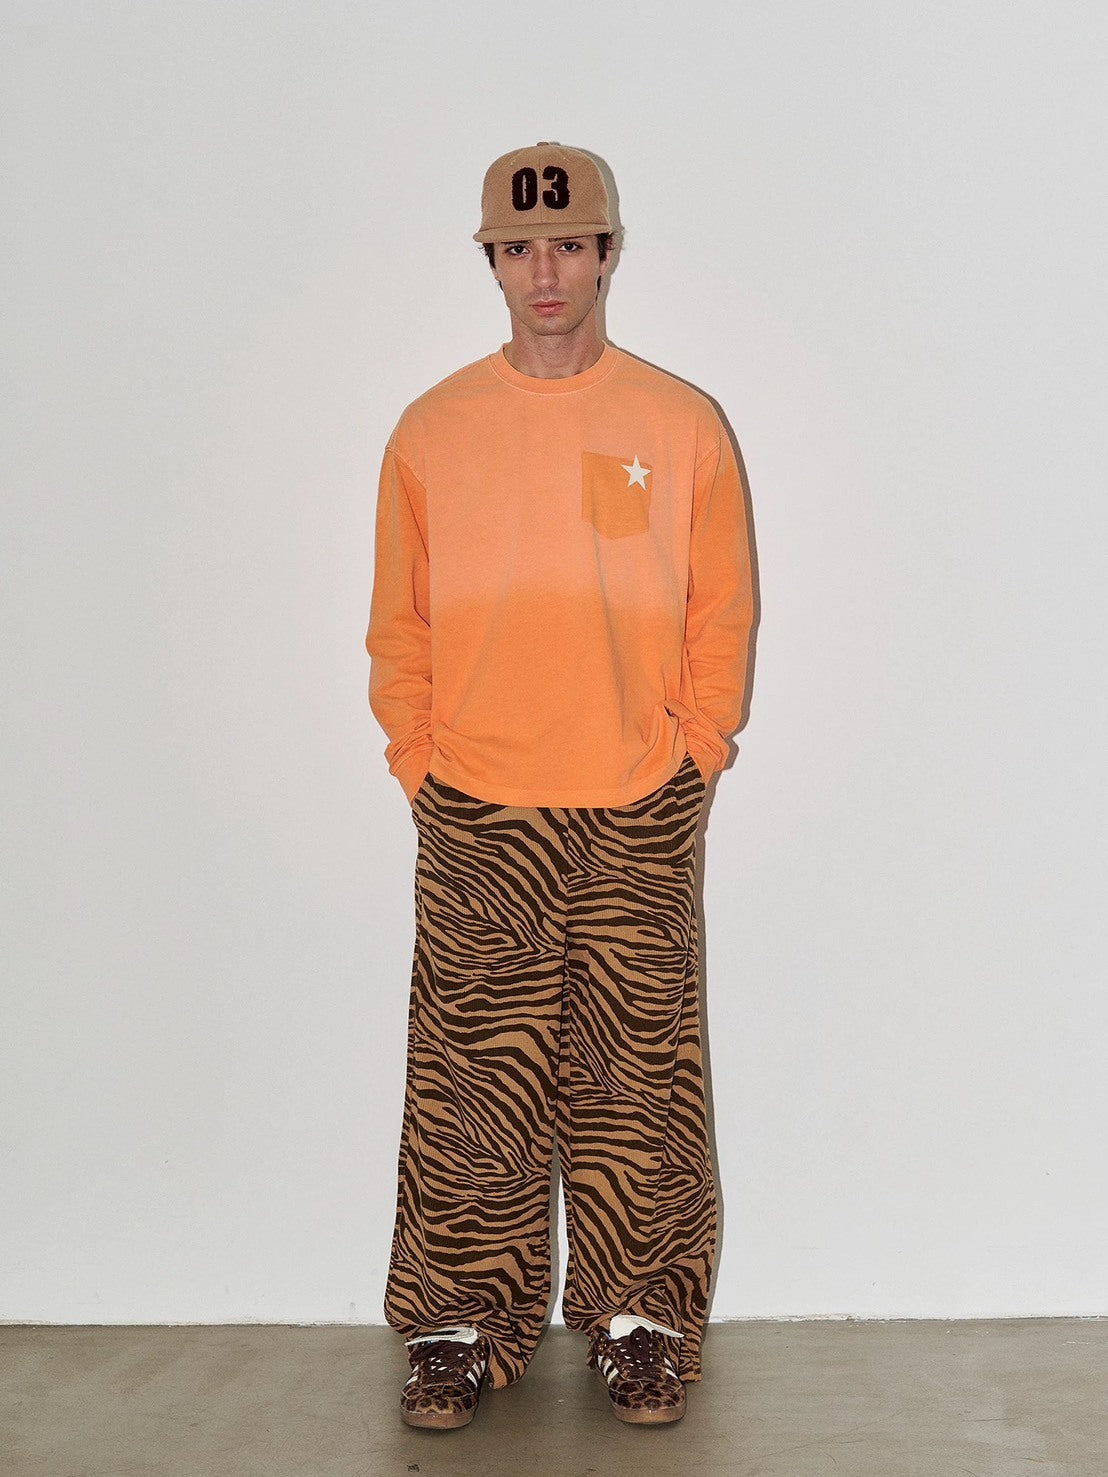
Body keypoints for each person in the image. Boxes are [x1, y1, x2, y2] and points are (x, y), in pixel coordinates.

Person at [366, 142, 755, 1430]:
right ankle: (455, 1325)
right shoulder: (432, 429)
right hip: (478, 801)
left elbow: (721, 613)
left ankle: (642, 1326)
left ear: (607, 254)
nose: (547, 272)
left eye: (570, 245)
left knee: (641, 1079)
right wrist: (418, 759)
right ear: (491, 259)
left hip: (638, 798)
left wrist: (697, 751)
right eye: (521, 248)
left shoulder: (679, 422)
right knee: (473, 1079)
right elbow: (399, 623)